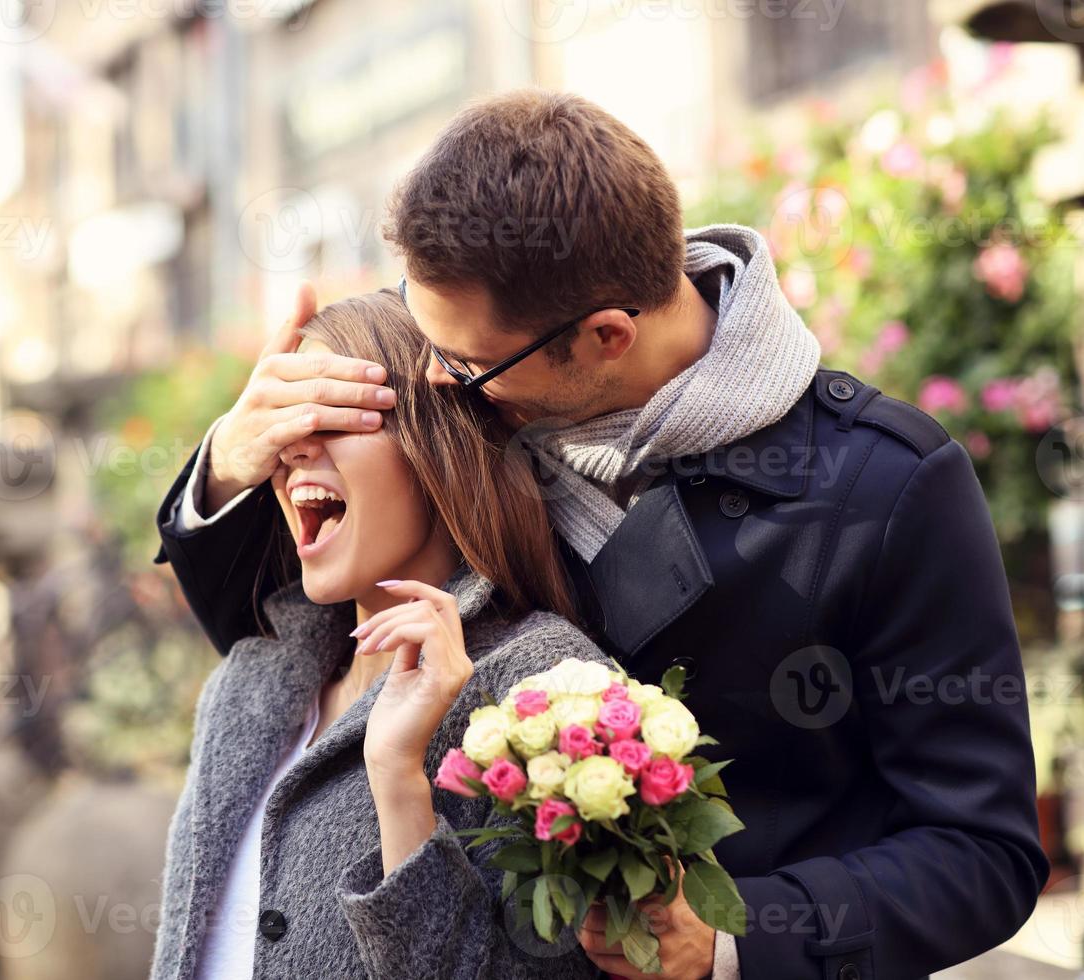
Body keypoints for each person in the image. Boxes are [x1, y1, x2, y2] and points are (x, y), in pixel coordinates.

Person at [156, 90, 1048, 980]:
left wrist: (731, 939)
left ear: (606, 336)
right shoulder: (492, 357)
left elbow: (980, 850)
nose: (433, 379)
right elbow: (289, 641)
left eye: (462, 368)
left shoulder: (883, 485)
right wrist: (229, 463)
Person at [150, 290, 612, 980]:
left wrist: (399, 782)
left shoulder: (546, 687)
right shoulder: (248, 682)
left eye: (334, 413)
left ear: (438, 448)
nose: (294, 443)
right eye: (286, 417)